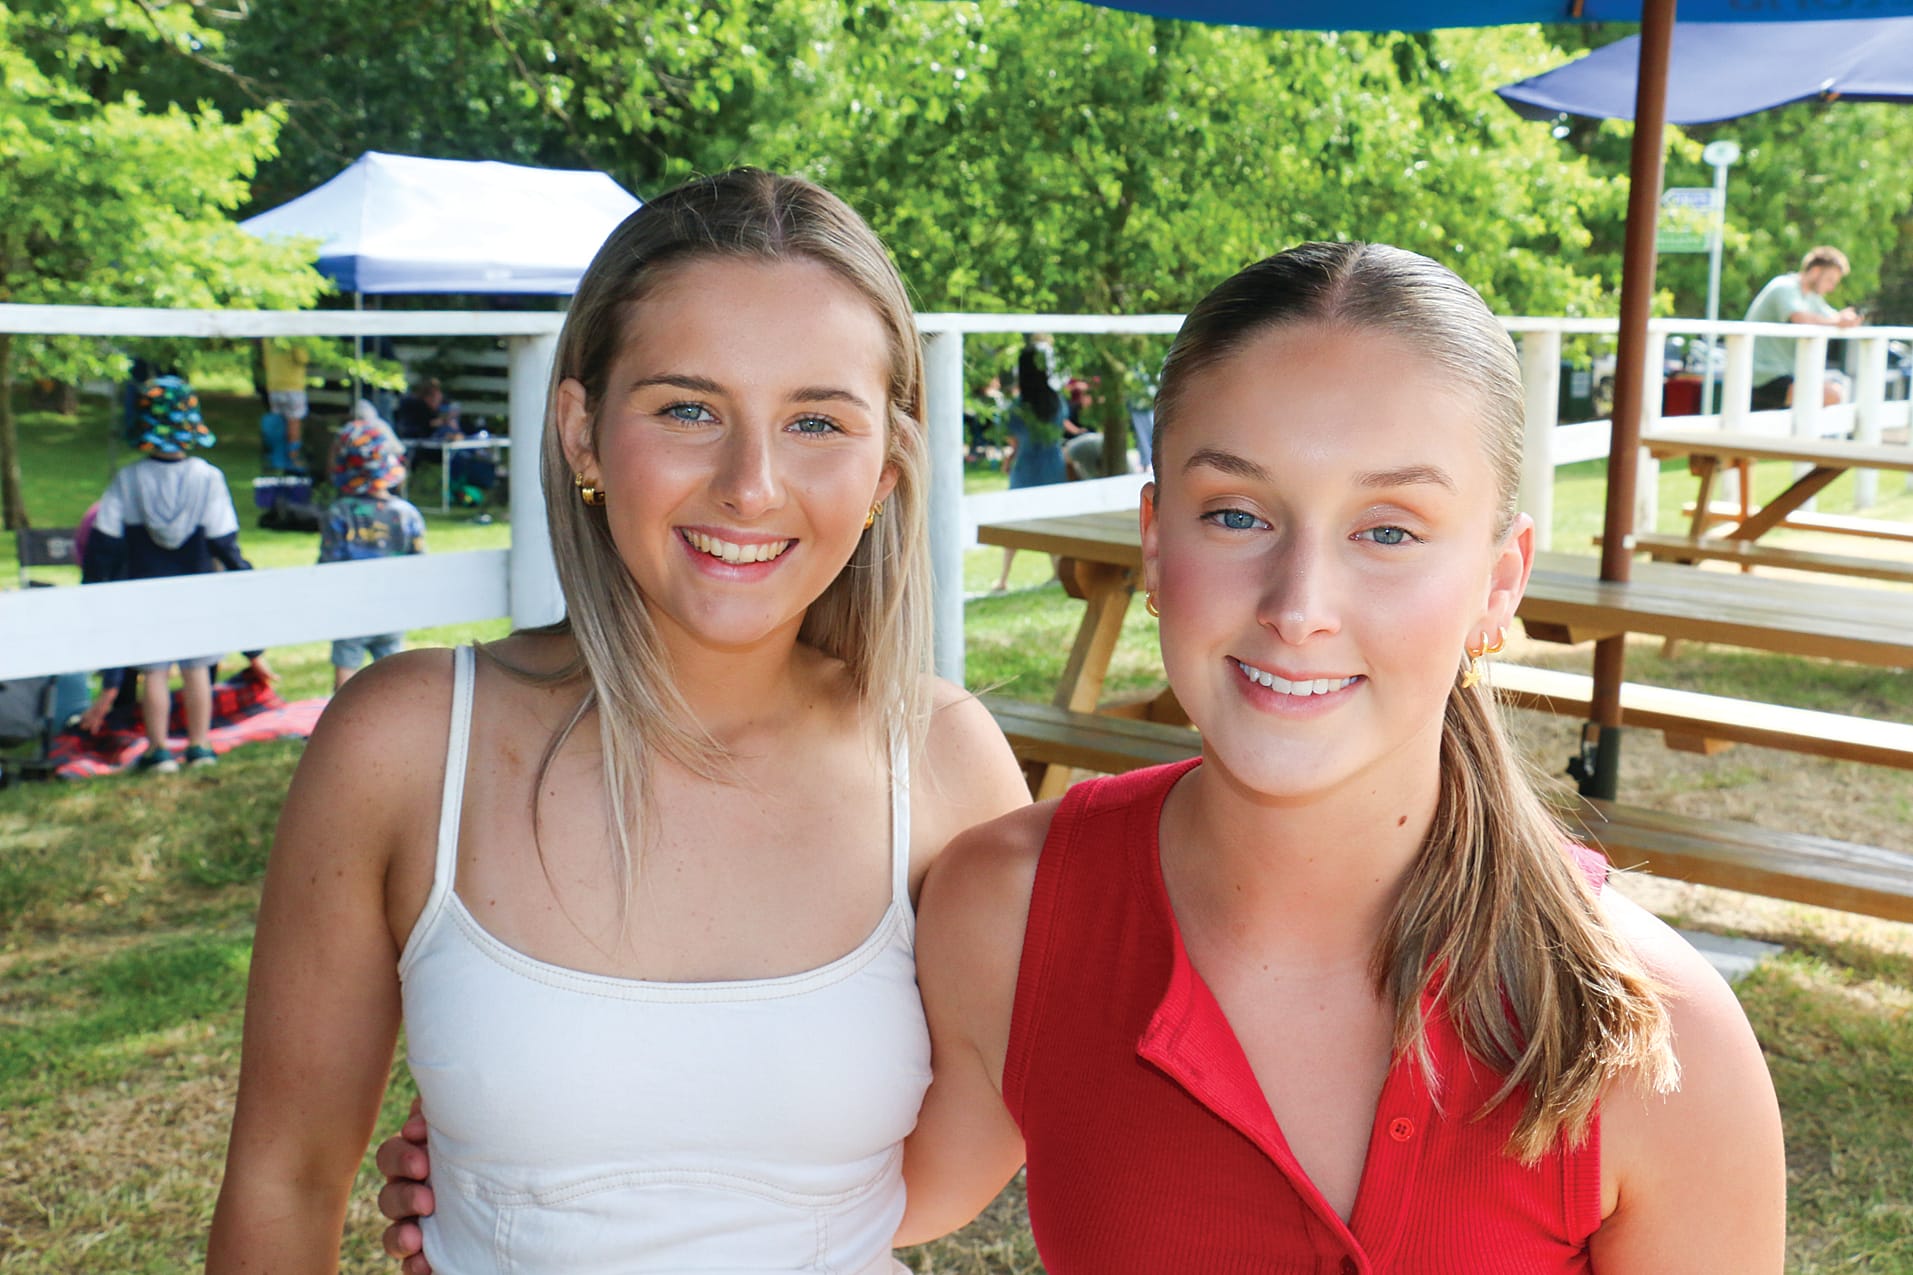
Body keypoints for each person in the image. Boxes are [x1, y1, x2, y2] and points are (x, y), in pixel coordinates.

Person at [378, 243, 1787, 1274]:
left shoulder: (1649, 1035)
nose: (1300, 598)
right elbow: (880, 1185)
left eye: (1389, 529)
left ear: (1499, 577)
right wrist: (546, 1179)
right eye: (1238, 513)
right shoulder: (1013, 904)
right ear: (1155, 532)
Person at [205, 169, 1030, 1273]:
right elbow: (282, 1182)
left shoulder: (942, 763)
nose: (750, 484)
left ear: (886, 464)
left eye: (816, 421)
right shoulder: (406, 746)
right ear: (582, 430)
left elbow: (920, 1184)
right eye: (689, 409)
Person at [83, 376, 259, 772]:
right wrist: (246, 578)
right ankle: (200, 747)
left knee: (155, 672)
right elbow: (223, 540)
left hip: (145, 587)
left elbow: (105, 541)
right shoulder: (208, 476)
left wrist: (95, 588)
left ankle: (159, 749)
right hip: (197, 587)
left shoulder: (129, 478)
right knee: (197, 670)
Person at [321, 412, 427, 690]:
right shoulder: (408, 515)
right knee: (395, 671)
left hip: (351, 606)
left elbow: (328, 563)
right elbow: (420, 565)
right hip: (393, 605)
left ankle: (341, 727)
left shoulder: (339, 513)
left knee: (346, 666)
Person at [991, 337, 1068, 592]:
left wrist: (1008, 458)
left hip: (1027, 467)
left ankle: (1003, 578)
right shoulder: (1056, 401)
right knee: (1055, 519)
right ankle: (1058, 572)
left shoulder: (1018, 407)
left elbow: (1014, 440)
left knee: (1014, 521)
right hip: (1053, 465)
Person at [1745, 245, 1863, 410]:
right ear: (1815, 271)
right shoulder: (1784, 287)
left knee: (1834, 391)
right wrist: (1837, 321)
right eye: (1830, 280)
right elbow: (1799, 318)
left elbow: (1832, 317)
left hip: (1785, 377)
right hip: (1762, 378)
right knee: (1832, 394)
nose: (1832, 288)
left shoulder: (1812, 298)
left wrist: (1846, 319)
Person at [262, 339, 312, 468]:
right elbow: (302, 358)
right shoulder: (294, 335)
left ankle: (277, 457)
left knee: (279, 423)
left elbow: (265, 361)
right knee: (294, 422)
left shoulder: (269, 336)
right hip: (293, 385)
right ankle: (293, 458)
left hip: (274, 385)